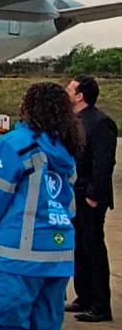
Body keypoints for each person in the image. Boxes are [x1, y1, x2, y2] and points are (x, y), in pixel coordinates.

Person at [0, 82, 83, 330]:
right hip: (58, 253)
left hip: (19, 254)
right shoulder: (66, 148)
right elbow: (69, 203)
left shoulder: (14, 143)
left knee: (9, 323)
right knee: (47, 323)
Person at [66, 75, 117, 323]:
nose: (66, 93)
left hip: (89, 197)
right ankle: (83, 296)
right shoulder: (75, 122)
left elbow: (104, 162)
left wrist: (94, 196)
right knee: (79, 249)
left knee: (93, 249)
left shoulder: (100, 123)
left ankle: (100, 304)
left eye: (70, 89)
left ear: (80, 95)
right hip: (75, 196)